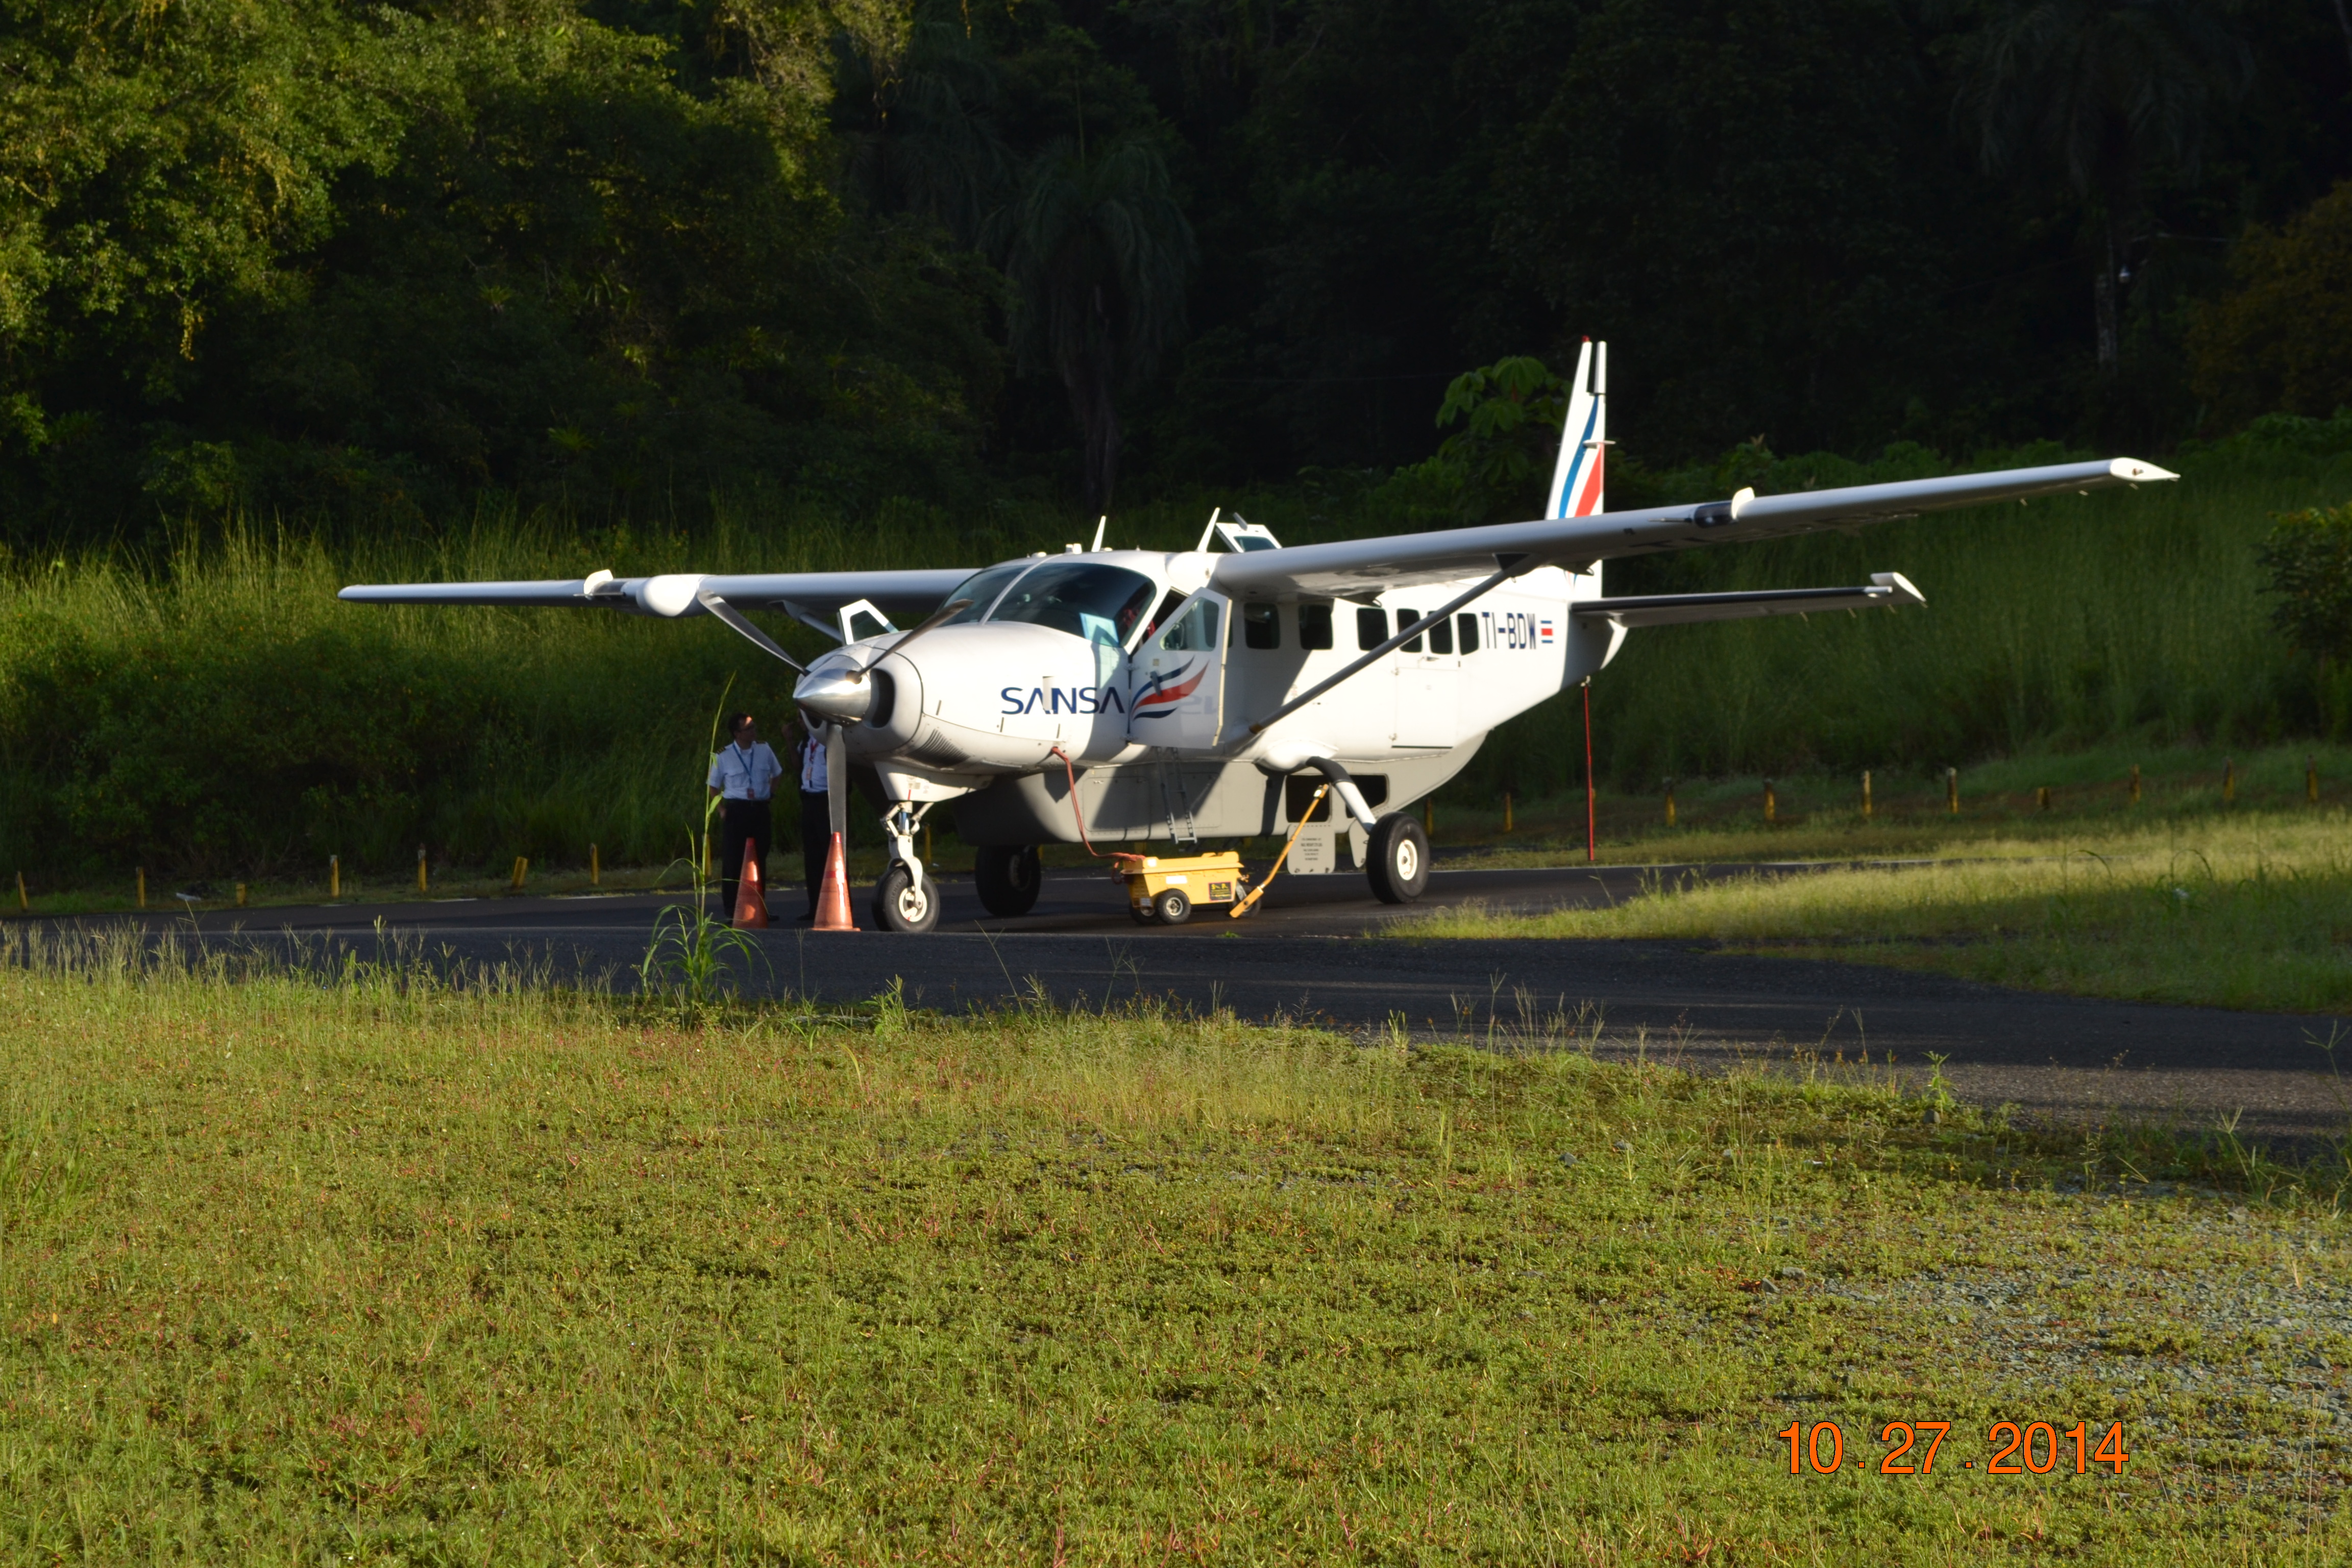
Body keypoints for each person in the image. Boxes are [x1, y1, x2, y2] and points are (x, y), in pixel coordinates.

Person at [707, 713, 782, 918]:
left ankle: (759, 908)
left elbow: (777, 772)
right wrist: (722, 810)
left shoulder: (764, 749)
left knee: (760, 858)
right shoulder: (723, 755)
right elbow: (713, 786)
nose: (753, 732)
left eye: (754, 727)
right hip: (737, 810)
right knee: (733, 860)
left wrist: (771, 793)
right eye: (748, 729)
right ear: (737, 733)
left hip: (759, 809)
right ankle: (732, 910)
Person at [795, 711, 832, 922]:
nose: (800, 722)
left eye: (803, 718)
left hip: (825, 801)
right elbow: (797, 765)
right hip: (809, 799)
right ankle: (814, 905)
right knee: (812, 856)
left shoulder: (828, 741)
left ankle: (836, 903)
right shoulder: (807, 741)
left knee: (830, 853)